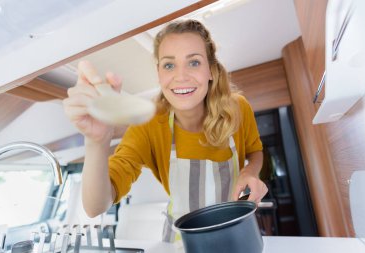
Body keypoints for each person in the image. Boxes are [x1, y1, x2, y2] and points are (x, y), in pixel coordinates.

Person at [63, 19, 268, 242]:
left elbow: (254, 151)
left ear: (211, 70)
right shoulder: (149, 125)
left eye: (194, 63)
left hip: (238, 233)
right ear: (159, 74)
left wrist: (250, 172)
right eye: (169, 65)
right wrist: (96, 142)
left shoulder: (238, 108)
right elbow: (95, 206)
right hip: (181, 243)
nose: (181, 76)